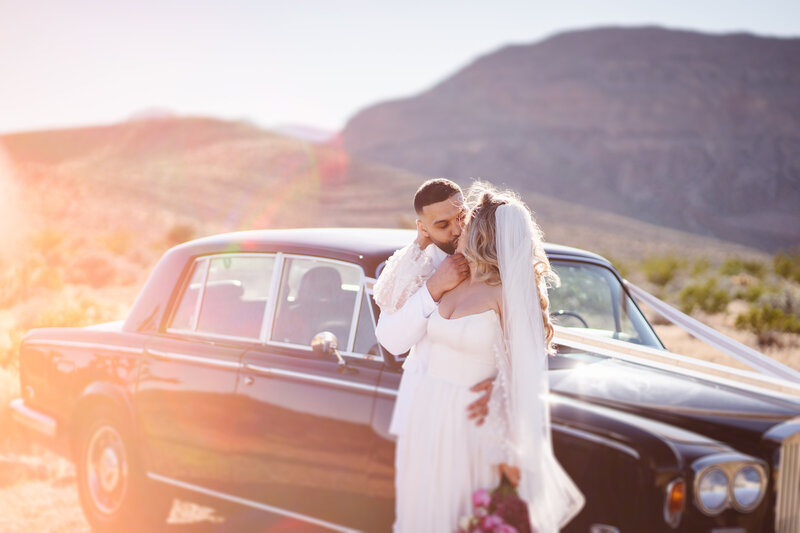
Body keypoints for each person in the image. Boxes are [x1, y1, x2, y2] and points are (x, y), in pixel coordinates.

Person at [394, 183, 585, 533]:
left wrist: (501, 395)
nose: (459, 226)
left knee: (463, 513)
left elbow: (525, 366)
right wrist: (418, 248)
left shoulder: (504, 293)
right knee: (425, 512)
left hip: (473, 424)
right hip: (428, 412)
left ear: (482, 233)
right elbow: (393, 322)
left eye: (466, 221)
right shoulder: (453, 279)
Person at [373, 179, 495, 531]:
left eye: (461, 217)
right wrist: (433, 288)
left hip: (477, 408)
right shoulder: (412, 267)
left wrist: (502, 381)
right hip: (424, 406)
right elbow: (391, 340)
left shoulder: (493, 256)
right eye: (442, 225)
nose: (457, 230)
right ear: (422, 229)